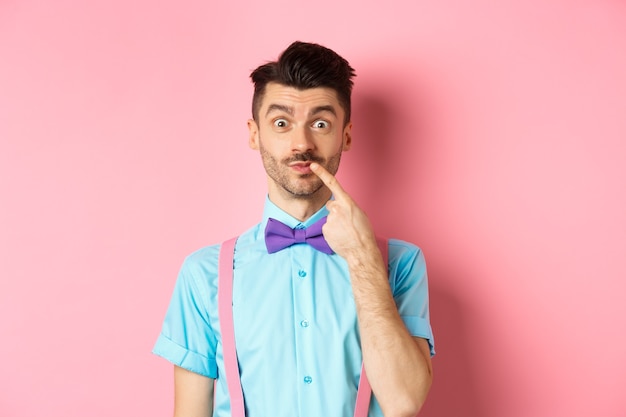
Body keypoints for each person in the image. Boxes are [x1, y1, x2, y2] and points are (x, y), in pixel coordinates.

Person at [153, 41, 435, 417]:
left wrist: (364, 260)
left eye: (320, 123)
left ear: (346, 136)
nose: (301, 143)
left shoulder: (400, 263)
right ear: (255, 134)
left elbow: (404, 402)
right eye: (281, 123)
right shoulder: (203, 274)